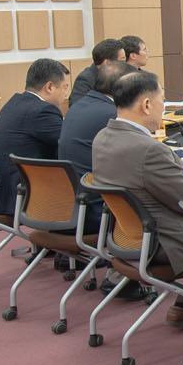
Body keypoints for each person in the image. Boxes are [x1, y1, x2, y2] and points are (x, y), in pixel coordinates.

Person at [91, 69, 183, 329]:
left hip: (127, 237)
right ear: (146, 105)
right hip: (165, 243)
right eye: (162, 100)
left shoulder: (103, 137)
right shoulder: (149, 150)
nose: (163, 107)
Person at [0, 58, 70, 218]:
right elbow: (68, 143)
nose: (66, 93)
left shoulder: (16, 102)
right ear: (50, 87)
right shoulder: (43, 111)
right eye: (65, 87)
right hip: (17, 196)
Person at [58, 61, 135, 235]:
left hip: (70, 207)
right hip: (97, 210)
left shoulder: (78, 106)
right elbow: (137, 160)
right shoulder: (113, 114)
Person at [69, 39, 127, 106]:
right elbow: (78, 107)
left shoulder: (120, 77)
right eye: (122, 60)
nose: (125, 64)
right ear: (107, 63)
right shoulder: (85, 79)